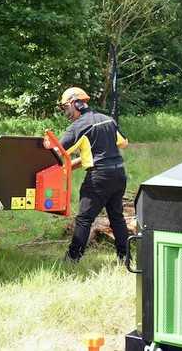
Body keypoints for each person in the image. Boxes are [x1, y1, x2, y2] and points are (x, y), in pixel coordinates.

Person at [45, 87, 129, 263]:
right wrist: (70, 166)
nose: (65, 112)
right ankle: (125, 258)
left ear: (76, 103)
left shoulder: (78, 127)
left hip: (99, 177)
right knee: (117, 218)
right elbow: (123, 144)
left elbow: (56, 153)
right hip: (119, 174)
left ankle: (72, 259)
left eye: (65, 107)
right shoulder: (108, 120)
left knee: (84, 219)